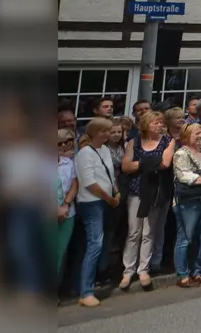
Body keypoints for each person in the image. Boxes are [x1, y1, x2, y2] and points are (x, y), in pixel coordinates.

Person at [118, 110, 174, 291]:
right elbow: (126, 167)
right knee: (134, 232)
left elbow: (165, 164)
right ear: (145, 125)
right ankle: (128, 271)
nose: (159, 125)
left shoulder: (168, 141)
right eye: (155, 123)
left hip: (156, 192)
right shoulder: (134, 143)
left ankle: (143, 269)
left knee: (149, 232)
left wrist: (140, 163)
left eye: (161, 122)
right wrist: (150, 162)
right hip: (136, 191)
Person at [74, 117, 120, 307]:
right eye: (103, 131)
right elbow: (89, 182)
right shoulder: (85, 153)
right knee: (95, 244)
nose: (107, 134)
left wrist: (116, 191)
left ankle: (89, 284)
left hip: (106, 201)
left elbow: (109, 175)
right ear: (93, 133)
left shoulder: (105, 150)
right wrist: (108, 198)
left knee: (99, 244)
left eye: (108, 131)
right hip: (92, 203)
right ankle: (85, 291)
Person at [171, 122, 201, 287]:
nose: (199, 136)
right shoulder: (181, 153)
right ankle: (182, 274)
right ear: (186, 136)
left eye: (200, 133)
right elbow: (183, 175)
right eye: (196, 133)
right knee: (186, 237)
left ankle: (197, 270)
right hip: (189, 201)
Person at [55, 128, 79, 284]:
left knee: (59, 252)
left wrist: (65, 205)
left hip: (67, 213)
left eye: (65, 143)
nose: (62, 146)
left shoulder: (68, 162)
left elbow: (74, 184)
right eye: (58, 143)